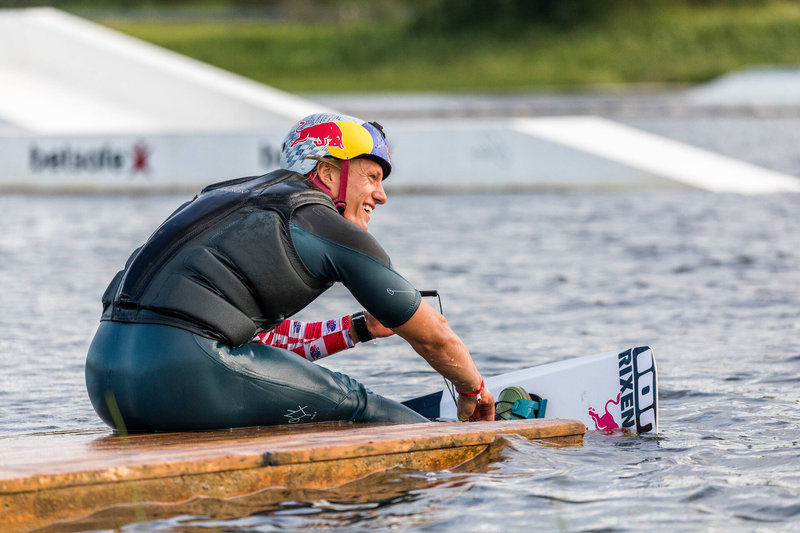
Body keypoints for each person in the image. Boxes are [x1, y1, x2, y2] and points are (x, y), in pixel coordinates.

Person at [85, 112, 494, 432]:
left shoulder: (222, 195)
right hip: (181, 376)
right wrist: (473, 390)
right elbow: (436, 337)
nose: (381, 195)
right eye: (371, 177)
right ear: (330, 172)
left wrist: (358, 329)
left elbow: (253, 346)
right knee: (353, 402)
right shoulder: (320, 220)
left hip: (105, 378)